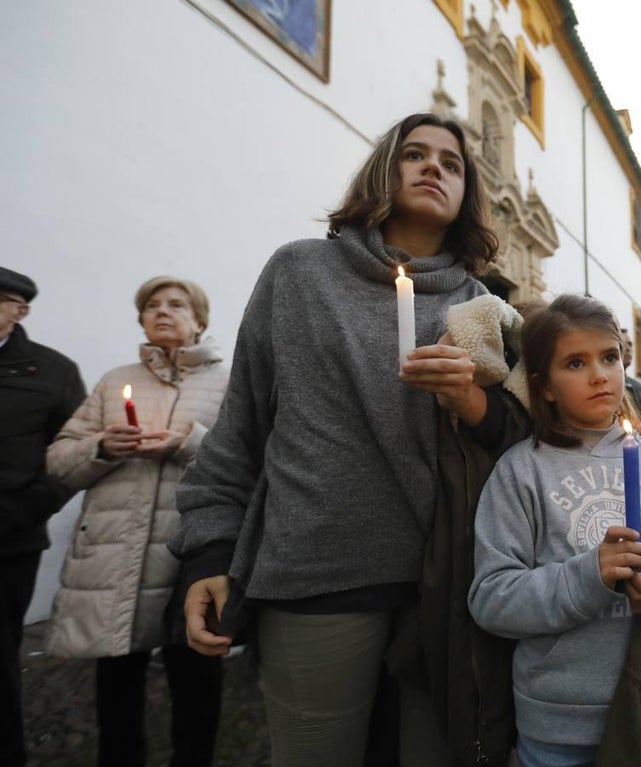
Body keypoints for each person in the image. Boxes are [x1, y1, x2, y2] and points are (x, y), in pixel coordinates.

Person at [169, 113, 528, 766]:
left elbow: (514, 443)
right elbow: (241, 423)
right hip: (317, 569)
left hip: (442, 579)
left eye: (451, 163)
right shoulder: (301, 273)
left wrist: (468, 399)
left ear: (465, 193)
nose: (432, 167)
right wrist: (209, 552)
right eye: (413, 154)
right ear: (383, 171)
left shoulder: (479, 303)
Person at [468, 294, 641, 765]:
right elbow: (491, 599)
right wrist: (587, 576)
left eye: (609, 357)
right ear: (544, 386)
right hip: (560, 722)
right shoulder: (520, 472)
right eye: (575, 362)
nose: (600, 375)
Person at [45, 276, 227, 767]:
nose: (162, 312)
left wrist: (187, 443)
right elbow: (60, 459)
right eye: (151, 305)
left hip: (188, 558)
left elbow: (248, 461)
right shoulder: (113, 381)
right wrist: (101, 448)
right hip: (114, 561)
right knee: (116, 690)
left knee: (197, 685)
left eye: (175, 304)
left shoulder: (227, 383)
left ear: (200, 320)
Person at [0, 268, 85, 767]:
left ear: (19, 310)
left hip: (8, 540)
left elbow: (71, 458)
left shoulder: (52, 372)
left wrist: (22, 508)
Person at [619, 328, 641, 420]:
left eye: (630, 344)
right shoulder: (605, 385)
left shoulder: (637, 386)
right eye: (621, 344)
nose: (628, 348)